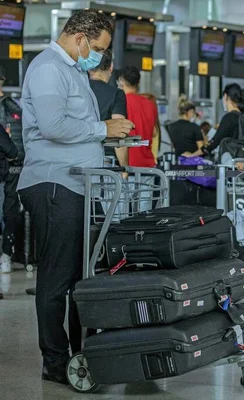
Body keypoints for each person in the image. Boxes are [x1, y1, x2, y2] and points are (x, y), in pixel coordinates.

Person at [17, 10, 134, 384]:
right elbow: (51, 126)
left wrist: (109, 135)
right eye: (97, 48)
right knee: (57, 279)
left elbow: (75, 127)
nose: (98, 57)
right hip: (54, 184)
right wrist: (102, 127)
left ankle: (80, 351)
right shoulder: (49, 68)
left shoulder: (75, 71)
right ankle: (55, 361)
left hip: (79, 184)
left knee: (82, 277)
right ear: (80, 38)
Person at [118, 66, 159, 211]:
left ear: (121, 81)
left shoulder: (121, 101)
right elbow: (154, 132)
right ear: (138, 83)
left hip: (127, 165)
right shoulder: (150, 104)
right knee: (144, 213)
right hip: (147, 164)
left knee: (122, 212)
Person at [0, 65, 24, 274]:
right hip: (10, 167)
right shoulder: (14, 108)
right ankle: (6, 254)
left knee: (9, 210)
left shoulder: (12, 109)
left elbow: (16, 148)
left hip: (9, 169)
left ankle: (6, 254)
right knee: (9, 210)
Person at [88, 49, 128, 167]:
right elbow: (118, 132)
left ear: (90, 68)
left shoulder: (79, 90)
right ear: (111, 67)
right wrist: (124, 167)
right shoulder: (116, 94)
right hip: (106, 161)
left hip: (79, 158)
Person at [202, 83, 244, 158]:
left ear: (226, 96)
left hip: (230, 161)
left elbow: (214, 142)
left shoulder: (229, 118)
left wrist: (193, 155)